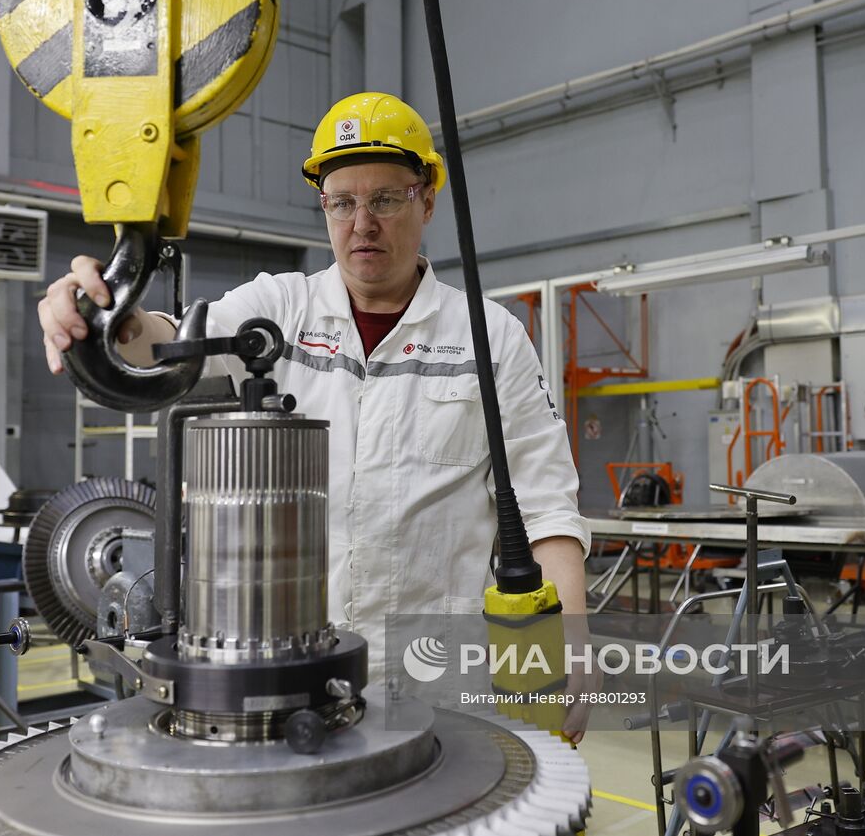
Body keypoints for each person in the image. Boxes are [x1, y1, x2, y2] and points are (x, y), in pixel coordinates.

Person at [39, 92, 593, 740]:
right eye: (342, 201)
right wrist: (110, 318)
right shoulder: (281, 307)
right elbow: (174, 347)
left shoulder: (489, 337)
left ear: (428, 199)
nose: (363, 223)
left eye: (386, 198)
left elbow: (545, 507)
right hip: (287, 675)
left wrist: (572, 655)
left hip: (440, 682)